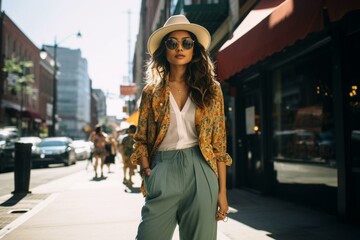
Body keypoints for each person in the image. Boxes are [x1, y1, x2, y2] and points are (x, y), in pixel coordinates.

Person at [130, 15, 232, 240]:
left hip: (201, 169)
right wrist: (147, 171)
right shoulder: (152, 92)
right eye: (172, 43)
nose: (180, 48)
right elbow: (141, 139)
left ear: (194, 49)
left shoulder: (211, 89)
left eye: (187, 43)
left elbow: (219, 144)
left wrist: (222, 192)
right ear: (163, 50)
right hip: (162, 170)